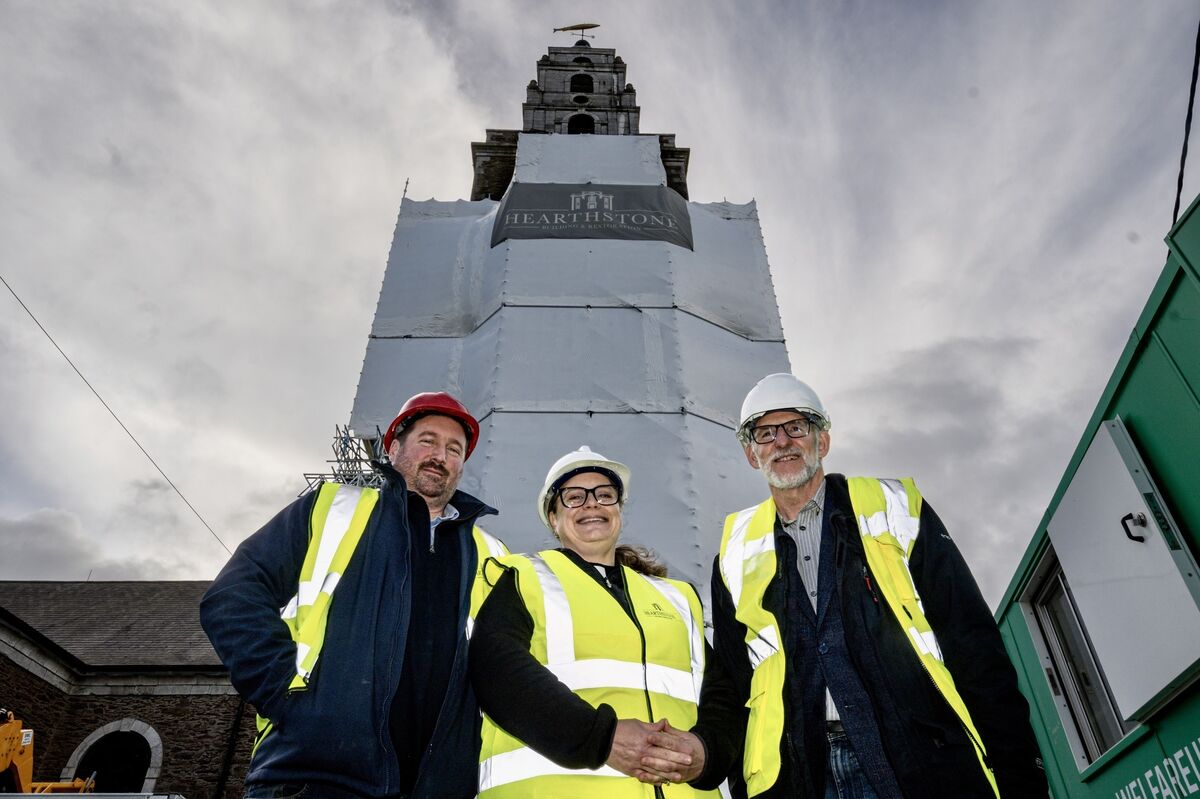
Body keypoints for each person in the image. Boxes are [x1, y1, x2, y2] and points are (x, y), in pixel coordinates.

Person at [710, 373, 1047, 799]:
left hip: (918, 761)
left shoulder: (895, 509)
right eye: (765, 433)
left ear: (822, 441)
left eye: (797, 428)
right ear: (750, 453)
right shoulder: (735, 554)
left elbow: (972, 642)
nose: (782, 442)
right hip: (800, 776)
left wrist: (1021, 772)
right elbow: (735, 684)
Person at [200, 391, 507, 799]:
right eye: (427, 440)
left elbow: (508, 666)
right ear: (394, 447)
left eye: (454, 449)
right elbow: (234, 595)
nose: (440, 455)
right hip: (316, 777)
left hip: (439, 787)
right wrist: (286, 694)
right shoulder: (331, 508)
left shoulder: (492, 554)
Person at [469, 446, 741, 797]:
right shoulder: (523, 578)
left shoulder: (676, 598)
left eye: (605, 495)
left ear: (619, 511)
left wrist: (707, 752)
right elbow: (497, 670)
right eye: (574, 497)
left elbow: (722, 692)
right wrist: (602, 739)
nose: (592, 504)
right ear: (553, 517)